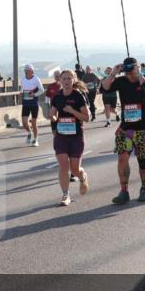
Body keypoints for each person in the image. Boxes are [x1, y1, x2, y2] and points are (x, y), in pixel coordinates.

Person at [99, 57, 145, 204]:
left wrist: (139, 74)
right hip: (126, 128)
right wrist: (113, 73)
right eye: (127, 69)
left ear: (137, 67)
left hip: (144, 128)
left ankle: (144, 188)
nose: (129, 73)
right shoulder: (121, 81)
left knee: (143, 161)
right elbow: (104, 88)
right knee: (122, 157)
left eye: (132, 68)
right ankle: (124, 191)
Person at [49, 70, 91, 205]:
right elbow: (53, 114)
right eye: (64, 79)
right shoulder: (57, 96)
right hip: (61, 136)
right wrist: (53, 117)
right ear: (59, 81)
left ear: (73, 80)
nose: (66, 81)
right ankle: (65, 195)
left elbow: (87, 117)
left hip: (76, 137)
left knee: (74, 169)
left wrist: (72, 110)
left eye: (69, 79)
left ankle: (82, 176)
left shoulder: (78, 96)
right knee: (63, 165)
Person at [20, 64, 44, 147]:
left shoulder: (36, 79)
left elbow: (42, 90)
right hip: (25, 103)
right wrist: (21, 95)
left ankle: (35, 140)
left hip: (34, 103)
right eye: (25, 71)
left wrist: (35, 94)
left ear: (32, 71)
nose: (27, 72)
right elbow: (22, 89)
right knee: (24, 123)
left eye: (28, 70)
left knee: (34, 122)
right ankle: (29, 132)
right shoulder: (23, 79)